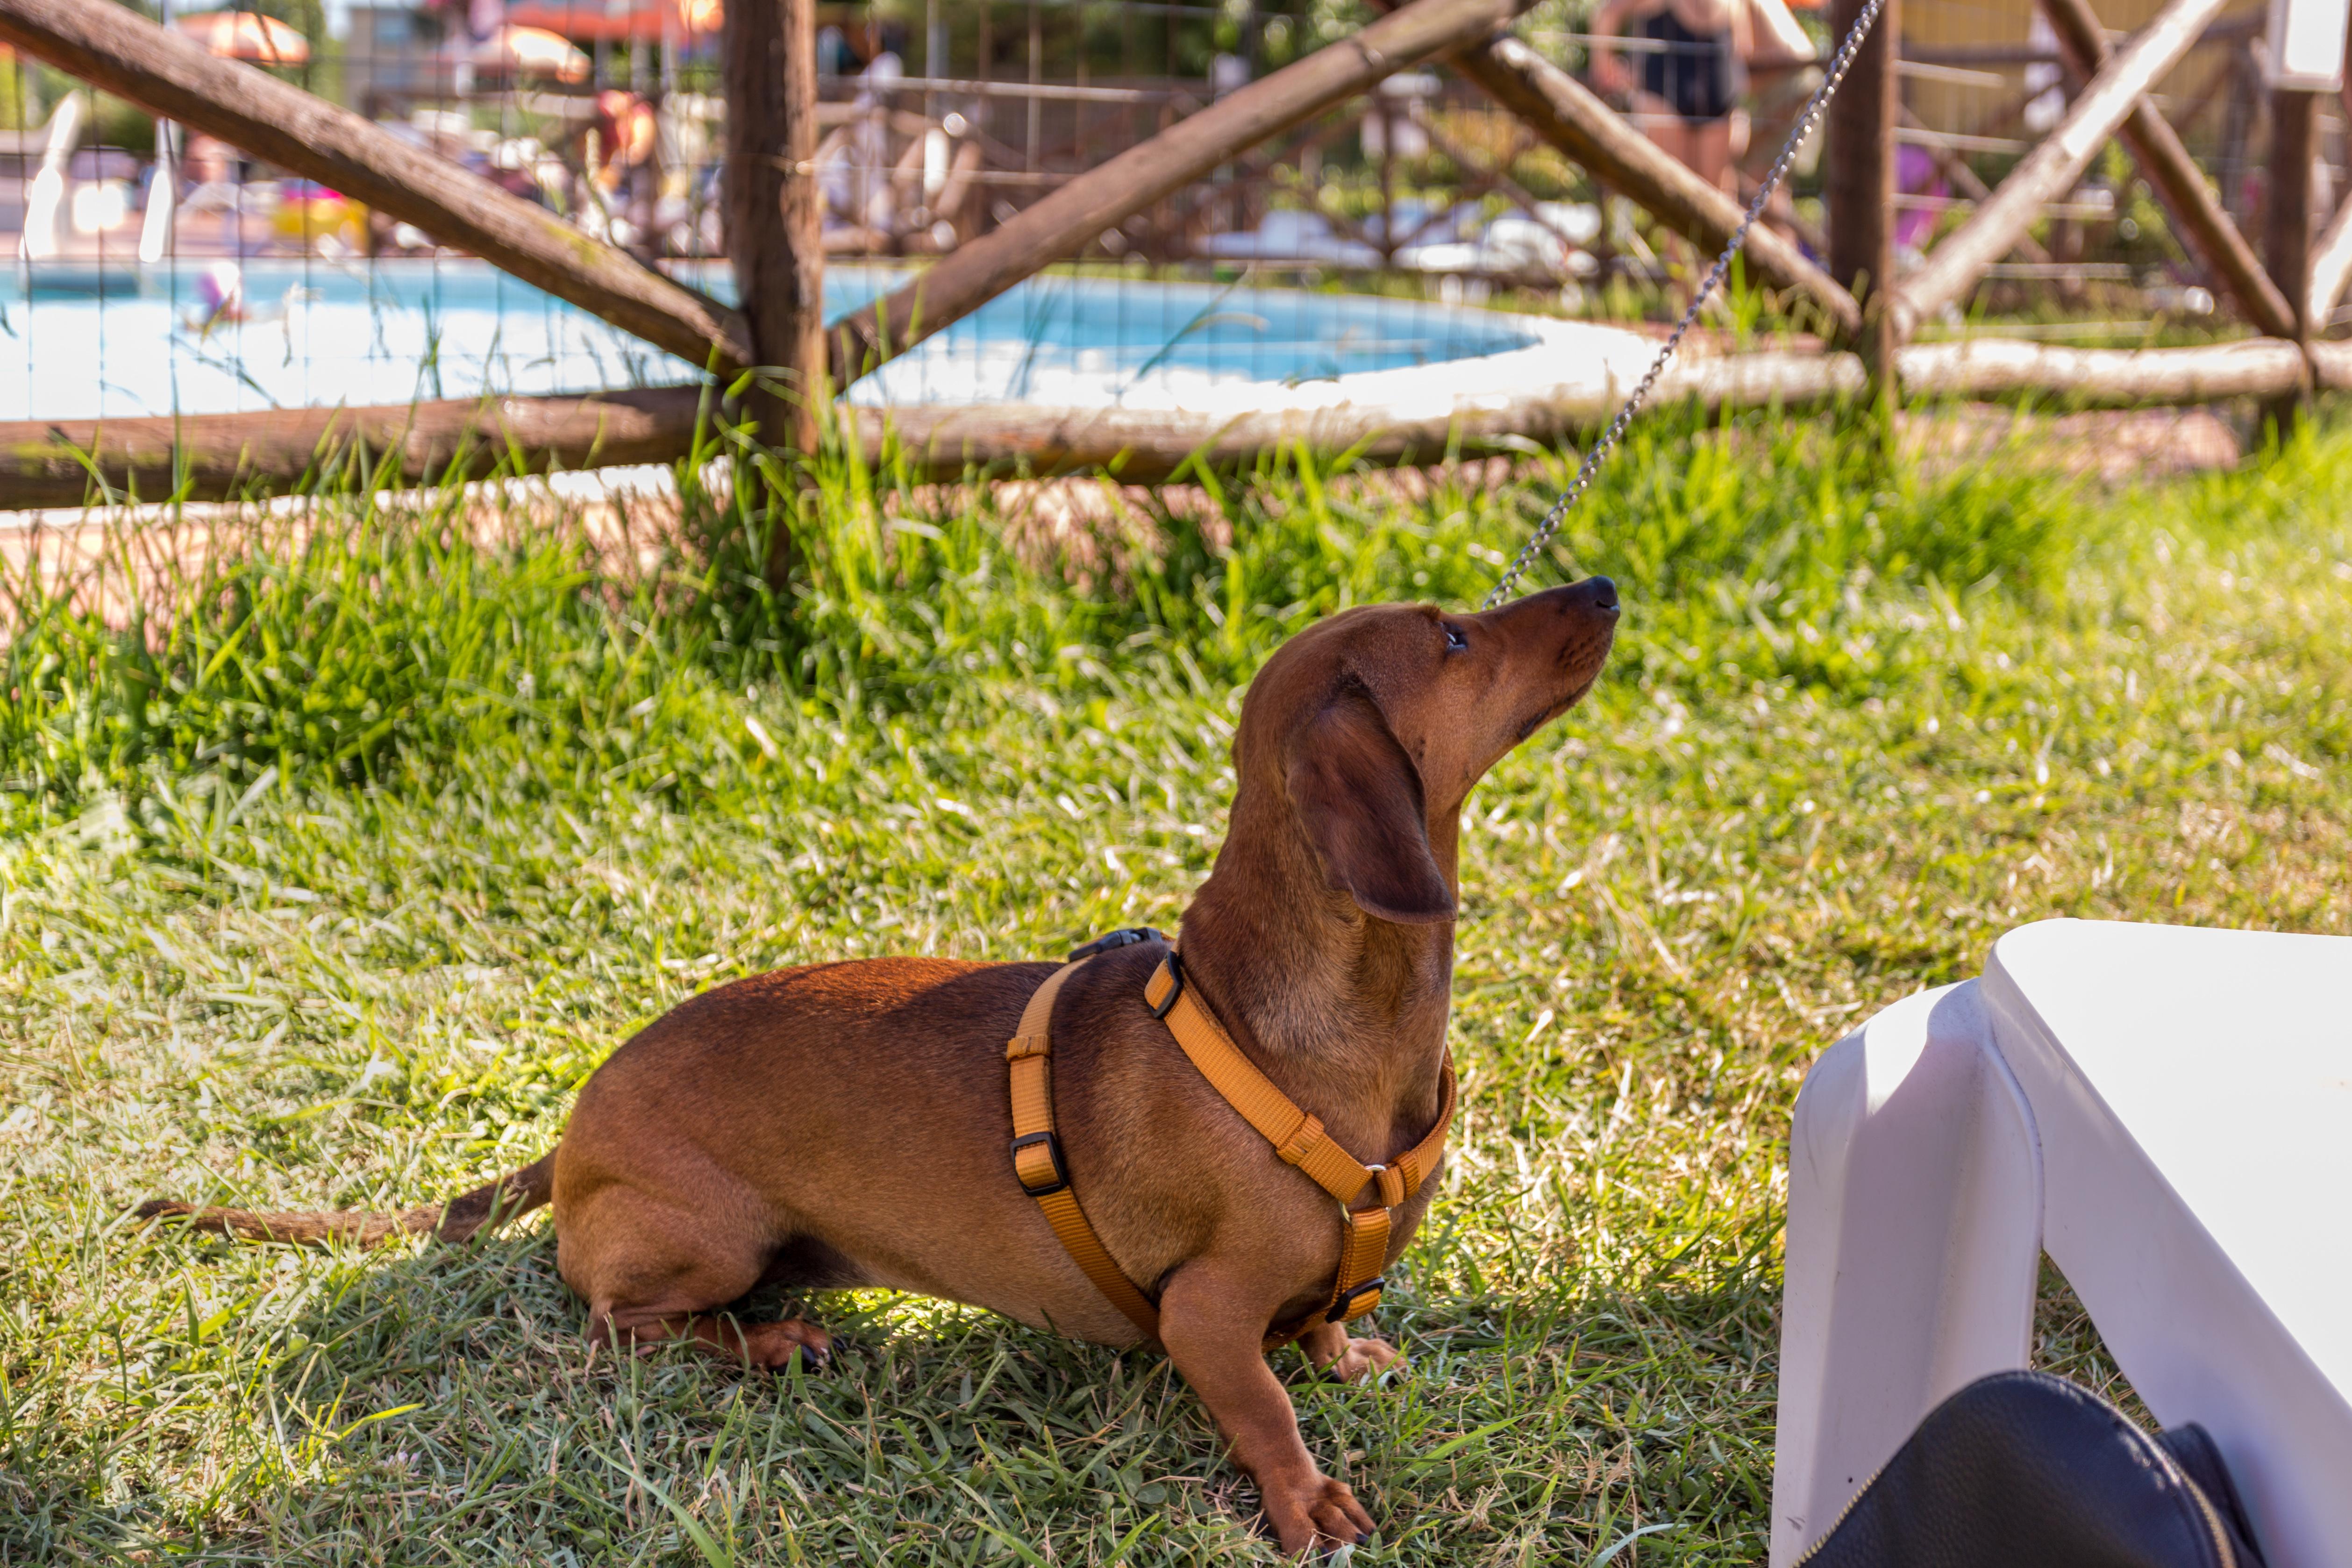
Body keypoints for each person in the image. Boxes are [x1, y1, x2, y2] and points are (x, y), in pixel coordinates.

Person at [1588, 0, 1814, 196]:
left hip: (1719, 99)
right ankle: (1674, 248)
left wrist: (1741, 109)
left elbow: (1744, 50)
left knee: (1716, 198)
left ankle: (1718, 248)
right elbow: (1608, 14)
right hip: (1663, 97)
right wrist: (1605, 64)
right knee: (1672, 189)